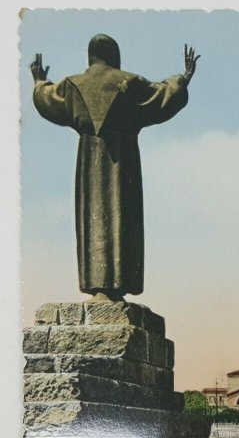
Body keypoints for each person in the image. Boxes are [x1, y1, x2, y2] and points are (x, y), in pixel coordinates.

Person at [30, 36, 199, 301]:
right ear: (114, 55)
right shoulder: (129, 84)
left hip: (89, 162)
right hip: (125, 164)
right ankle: (118, 287)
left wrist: (39, 81)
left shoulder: (74, 85)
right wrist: (183, 79)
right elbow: (163, 95)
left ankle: (97, 288)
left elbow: (47, 99)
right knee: (123, 213)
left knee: (94, 216)